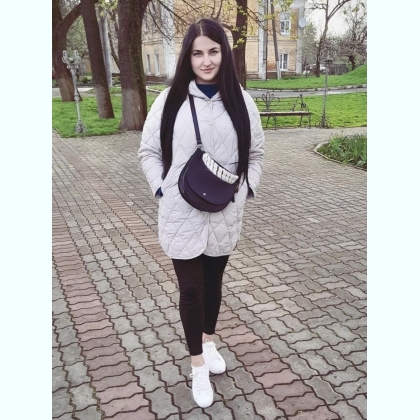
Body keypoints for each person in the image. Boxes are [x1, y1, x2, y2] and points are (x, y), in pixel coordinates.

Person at [138, 17, 264, 408]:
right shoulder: (170, 100)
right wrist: (161, 189)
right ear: (187, 57)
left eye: (213, 51)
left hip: (224, 211)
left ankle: (208, 342)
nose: (206, 60)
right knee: (191, 289)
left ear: (224, 53)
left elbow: (256, 154)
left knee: (213, 283)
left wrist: (243, 192)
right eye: (197, 53)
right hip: (181, 211)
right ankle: (197, 365)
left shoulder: (241, 101)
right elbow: (148, 152)